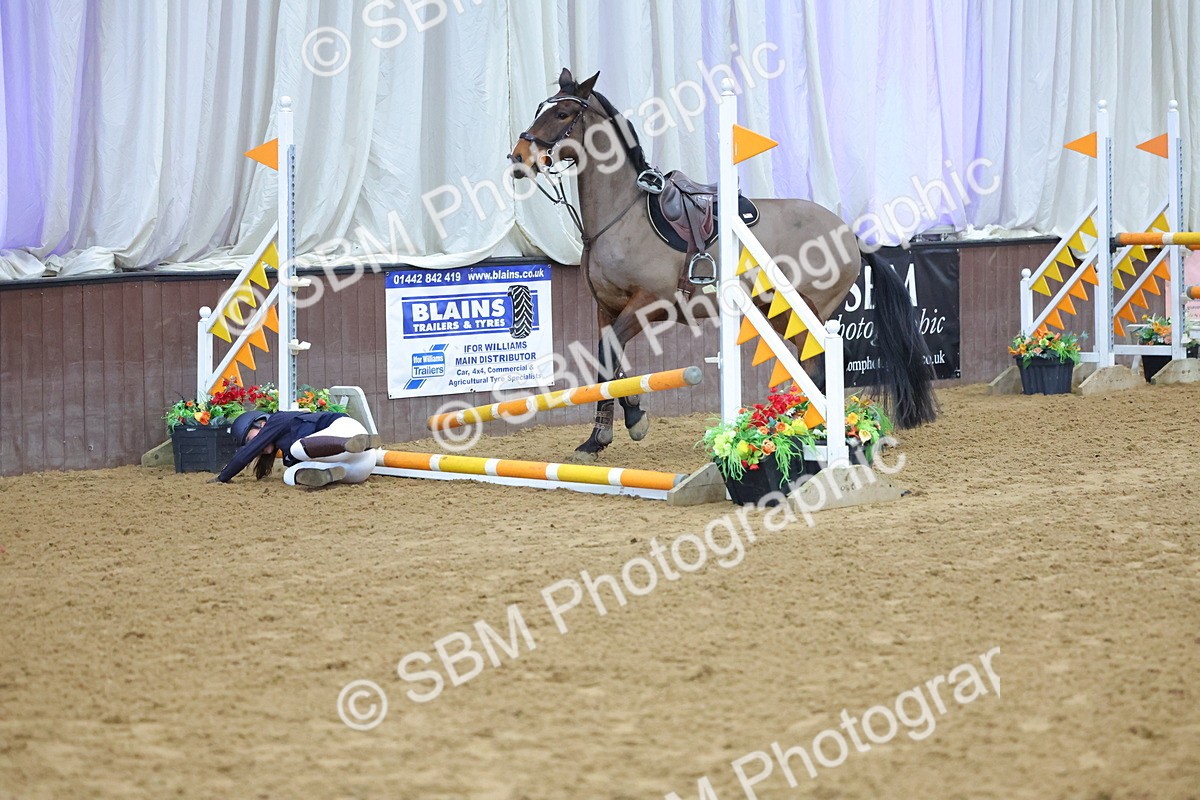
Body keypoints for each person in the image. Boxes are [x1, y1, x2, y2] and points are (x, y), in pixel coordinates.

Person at [211, 410, 380, 487]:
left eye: (250, 439)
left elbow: (248, 452)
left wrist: (223, 477)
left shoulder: (276, 420)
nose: (254, 447)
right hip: (360, 469)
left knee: (297, 449)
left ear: (262, 424)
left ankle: (348, 444)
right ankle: (327, 475)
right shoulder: (286, 454)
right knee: (289, 475)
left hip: (346, 429)